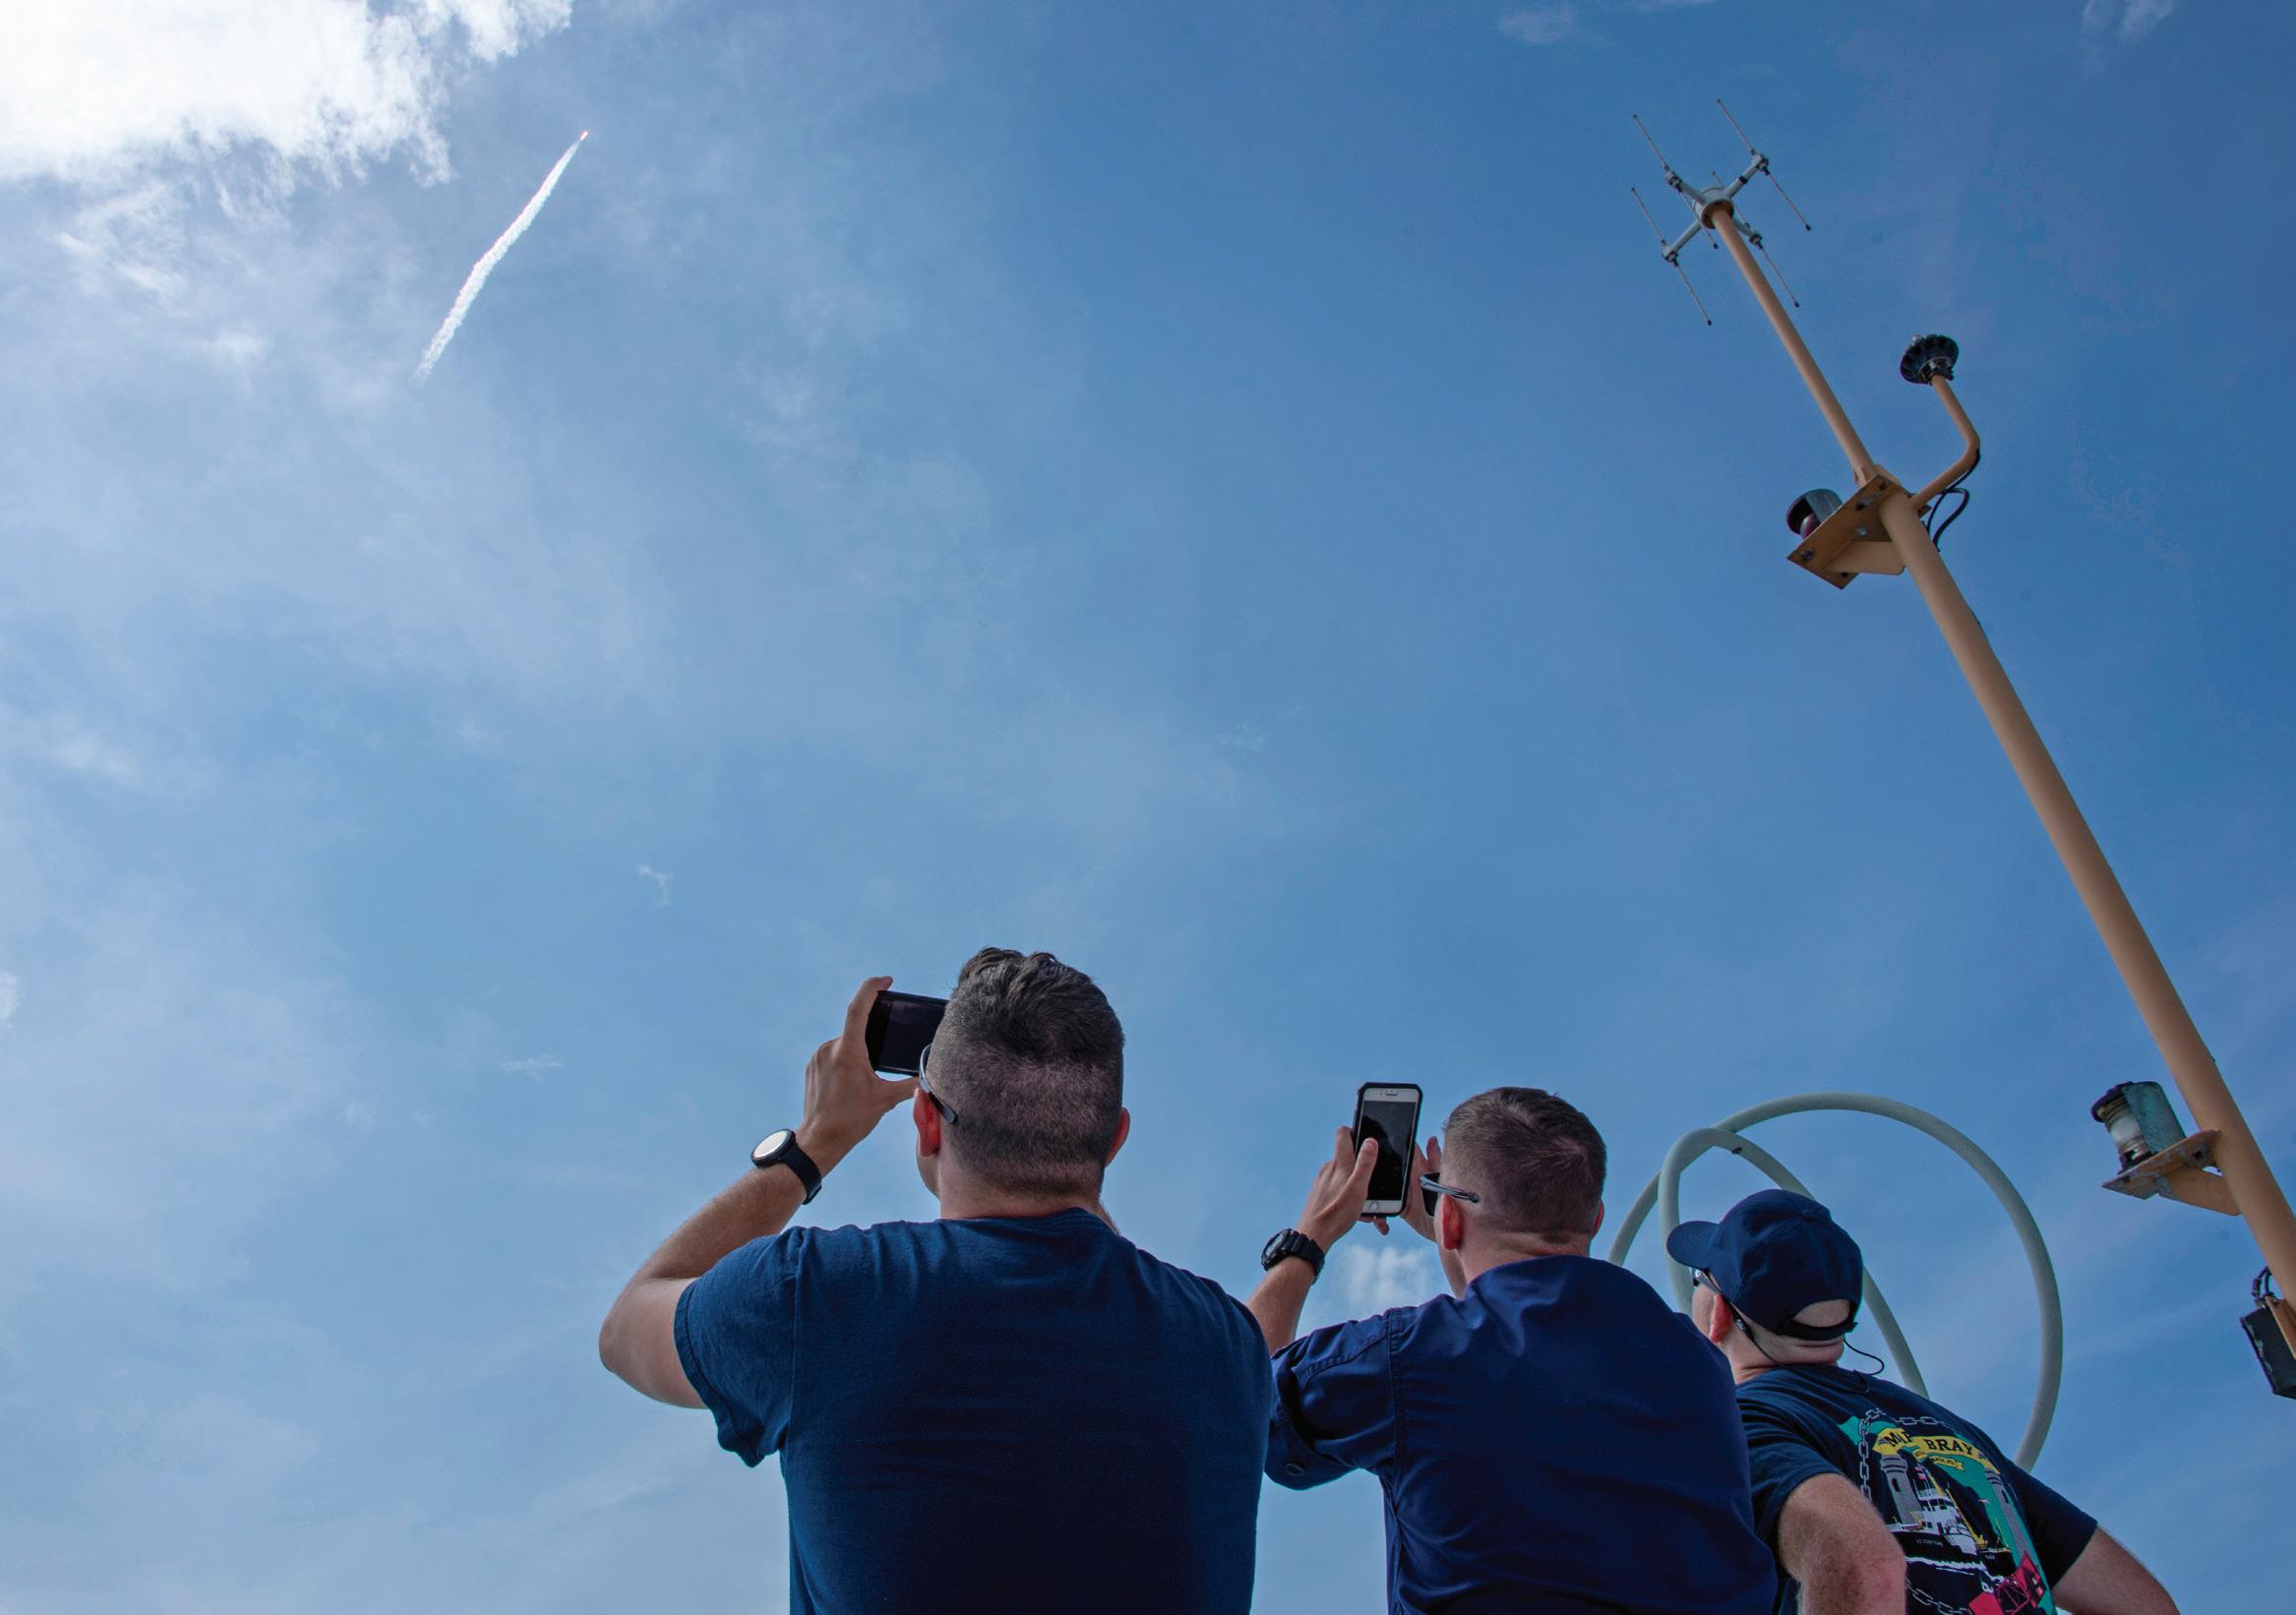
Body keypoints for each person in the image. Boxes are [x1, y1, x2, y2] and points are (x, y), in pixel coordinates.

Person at [598, 950, 1272, 1615]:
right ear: (1115, 1139)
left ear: (925, 1122)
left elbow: (627, 1330)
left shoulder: (816, 1294)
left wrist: (816, 1142)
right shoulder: (1229, 1346)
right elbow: (1096, 1277)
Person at [1247, 1087, 1779, 1615]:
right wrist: (1456, 1232)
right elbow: (1513, 1341)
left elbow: (1244, 1398)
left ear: (1449, 1220)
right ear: (1595, 1219)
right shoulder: (1699, 1362)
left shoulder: (1410, 1357)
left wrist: (1308, 1239)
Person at [1671, 1189, 2180, 1615]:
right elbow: (2145, 1606)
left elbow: (1866, 1566)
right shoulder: (1951, 1432)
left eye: (1699, 1278)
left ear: (1719, 1313)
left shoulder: (1745, 1424)